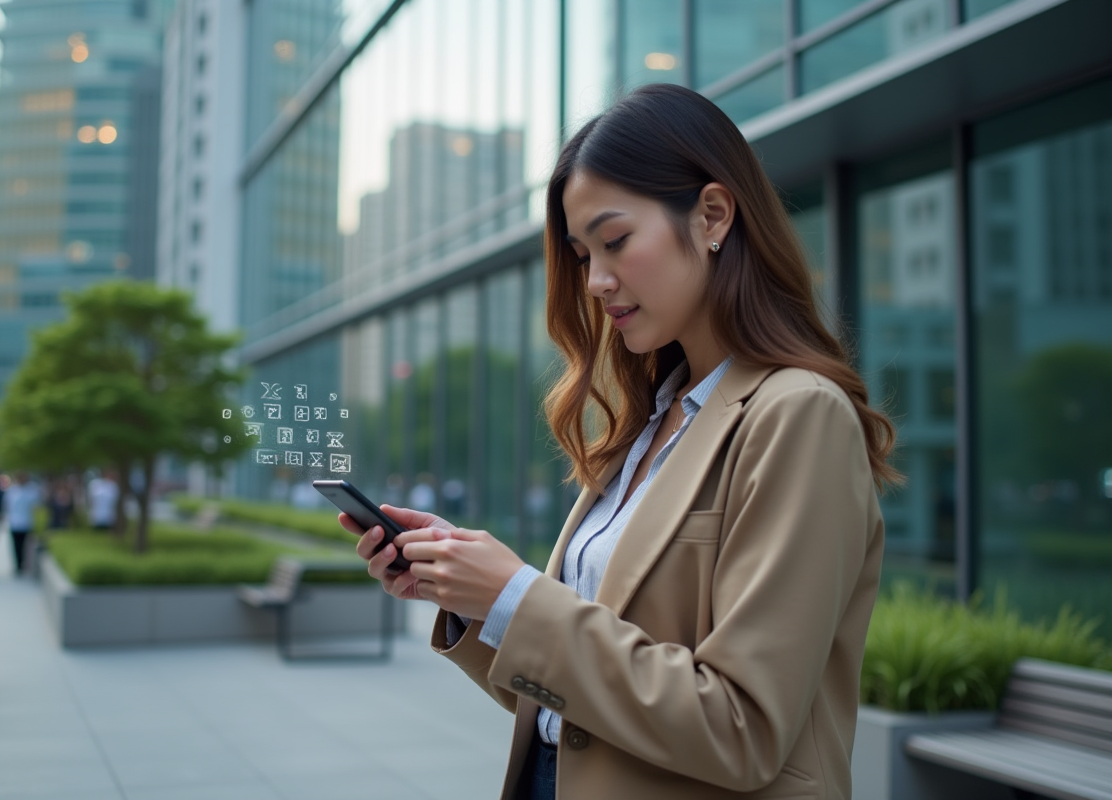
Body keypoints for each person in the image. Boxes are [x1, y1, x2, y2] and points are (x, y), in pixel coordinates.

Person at [343, 84, 898, 799]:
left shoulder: (799, 415)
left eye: (616, 241)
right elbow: (581, 703)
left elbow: (743, 728)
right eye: (582, 255)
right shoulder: (649, 425)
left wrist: (516, 596)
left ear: (712, 216)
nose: (597, 282)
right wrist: (473, 601)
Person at [3, 473, 39, 575]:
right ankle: (18, 564)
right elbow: (7, 506)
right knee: (16, 545)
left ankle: (24, 563)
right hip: (14, 522)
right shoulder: (12, 491)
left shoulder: (31, 490)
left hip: (26, 522)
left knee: (25, 545)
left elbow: (35, 504)